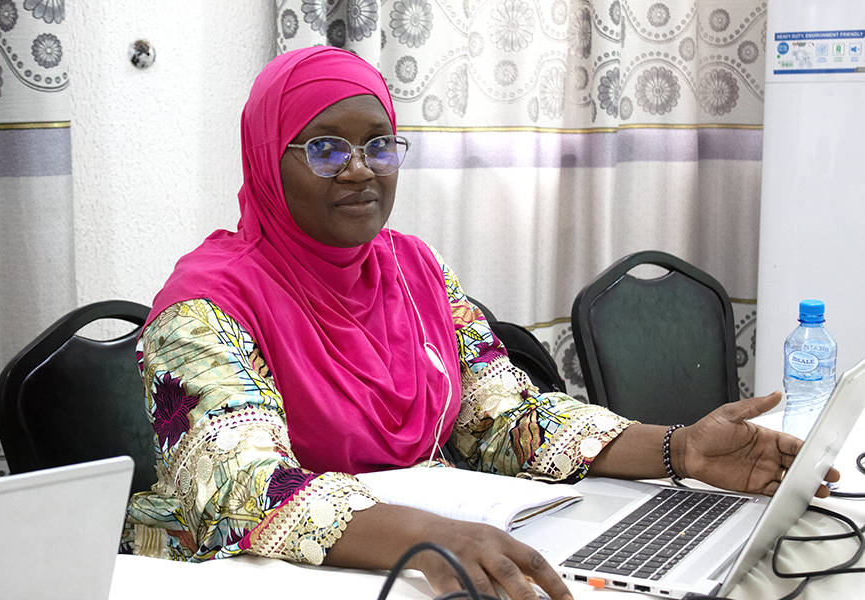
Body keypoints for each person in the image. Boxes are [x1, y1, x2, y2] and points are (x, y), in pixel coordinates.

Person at [123, 46, 839, 600]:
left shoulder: (417, 271)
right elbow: (244, 490)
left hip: (407, 563)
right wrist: (429, 538)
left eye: (379, 144)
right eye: (326, 148)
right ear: (266, 160)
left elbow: (502, 418)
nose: (361, 170)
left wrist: (680, 450)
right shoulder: (205, 306)